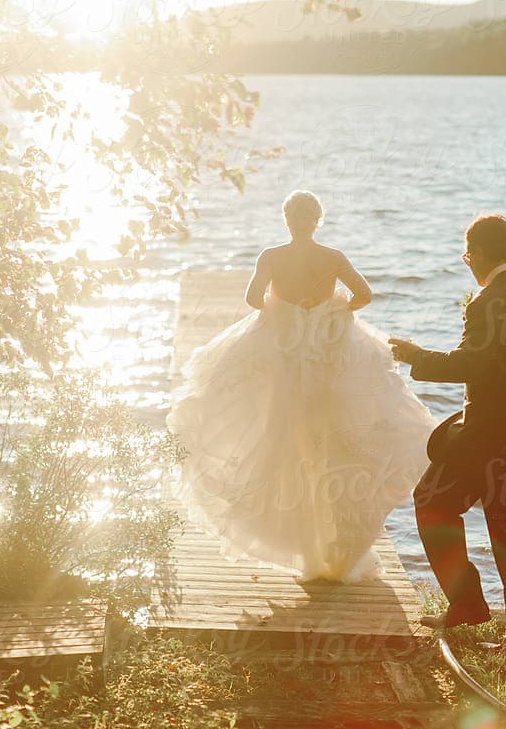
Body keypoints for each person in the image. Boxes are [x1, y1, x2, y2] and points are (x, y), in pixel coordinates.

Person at [167, 190, 438, 582]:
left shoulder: (271, 256)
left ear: (287, 219)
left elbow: (252, 298)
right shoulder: (333, 257)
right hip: (328, 359)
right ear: (317, 220)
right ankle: (338, 549)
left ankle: (309, 554)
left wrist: (285, 314)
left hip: (285, 359)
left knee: (287, 447)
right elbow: (364, 295)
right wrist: (331, 311)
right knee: (332, 450)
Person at [388, 213, 506, 668]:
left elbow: (467, 364)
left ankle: (470, 604)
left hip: (487, 439)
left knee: (432, 502)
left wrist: (415, 355)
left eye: (467, 254)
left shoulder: (485, 301)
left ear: (477, 253)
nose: (466, 261)